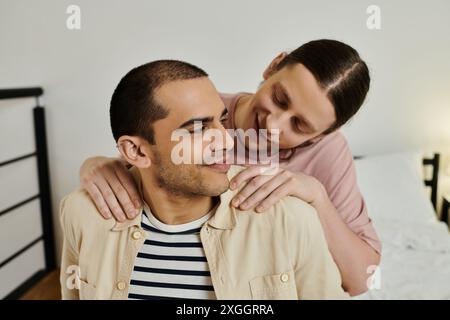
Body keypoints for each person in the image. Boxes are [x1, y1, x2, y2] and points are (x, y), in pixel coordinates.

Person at [79, 40, 381, 295]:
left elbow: (361, 280)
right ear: (273, 66)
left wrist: (317, 195)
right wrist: (100, 164)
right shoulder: (202, 109)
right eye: (279, 98)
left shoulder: (327, 151)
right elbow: (146, 160)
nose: (273, 124)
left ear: (321, 135)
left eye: (300, 125)